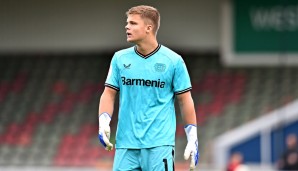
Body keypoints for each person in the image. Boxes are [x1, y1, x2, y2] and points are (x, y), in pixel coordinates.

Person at [97, 5, 199, 171]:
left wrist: (192, 137)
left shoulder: (173, 61)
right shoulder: (119, 59)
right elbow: (108, 94)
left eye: (133, 23)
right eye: (127, 22)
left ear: (148, 28)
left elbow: (185, 100)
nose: (127, 26)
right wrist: (103, 122)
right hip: (125, 145)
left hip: (159, 145)